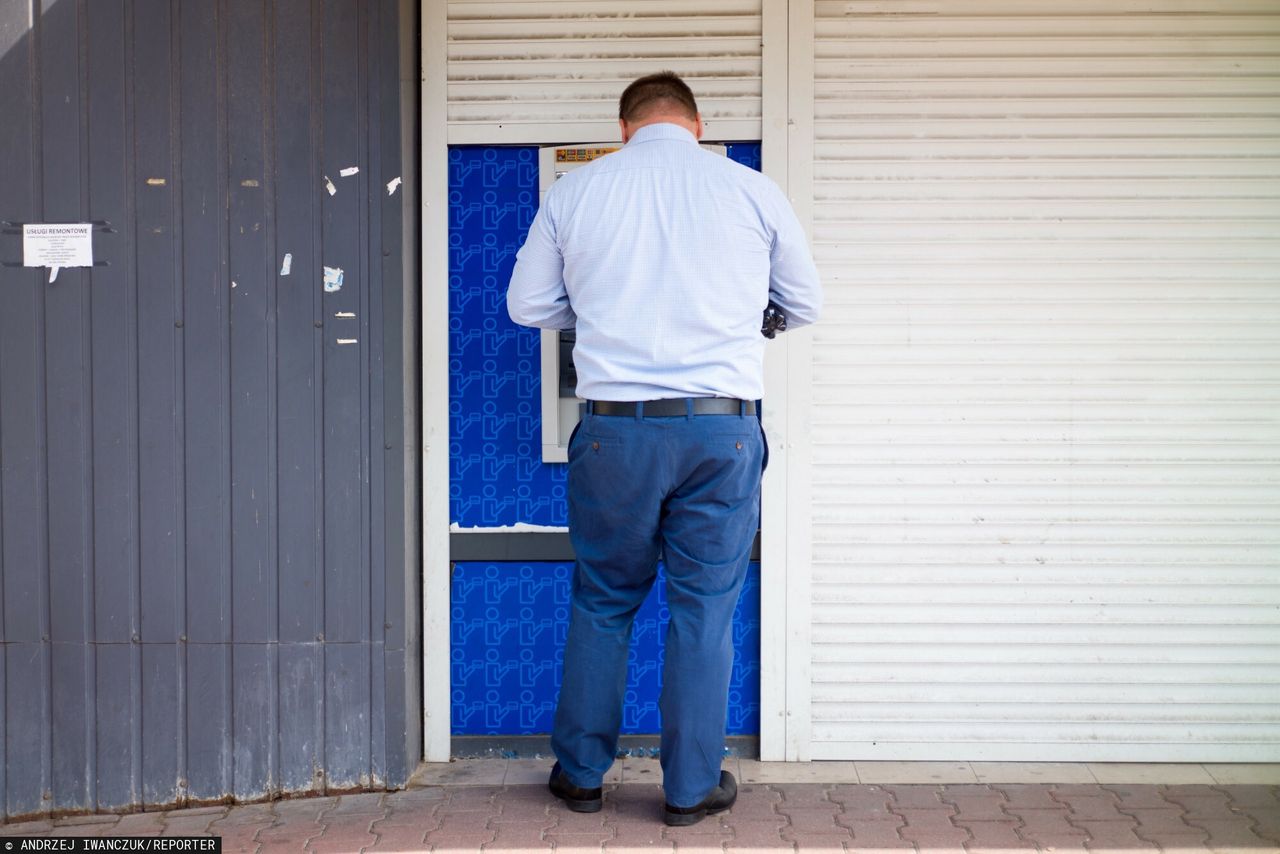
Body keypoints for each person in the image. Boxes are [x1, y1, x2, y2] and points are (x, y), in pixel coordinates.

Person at [506, 71, 822, 826]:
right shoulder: (750, 189)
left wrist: (595, 309)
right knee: (703, 609)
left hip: (615, 429)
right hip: (722, 429)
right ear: (697, 124)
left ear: (624, 129)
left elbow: (526, 306)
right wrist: (749, 324)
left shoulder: (577, 193)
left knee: (605, 599)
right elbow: (806, 301)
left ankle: (581, 775)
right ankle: (689, 789)